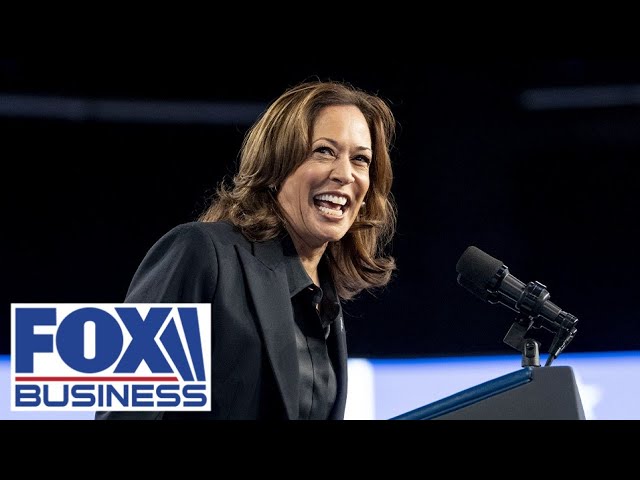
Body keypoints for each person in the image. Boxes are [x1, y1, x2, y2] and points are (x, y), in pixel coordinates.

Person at [96, 79, 397, 420]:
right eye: (323, 151)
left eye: (361, 159)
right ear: (275, 165)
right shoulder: (201, 254)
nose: (345, 174)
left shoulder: (325, 299)